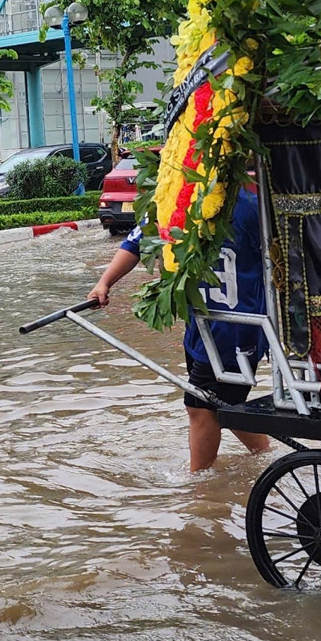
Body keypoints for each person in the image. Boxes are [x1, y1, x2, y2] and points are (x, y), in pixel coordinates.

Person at [89, 185, 271, 471]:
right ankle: (264, 458)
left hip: (236, 327)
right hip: (200, 326)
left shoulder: (249, 208)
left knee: (200, 407)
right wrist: (104, 283)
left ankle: (200, 492)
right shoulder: (172, 203)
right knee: (221, 404)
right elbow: (137, 243)